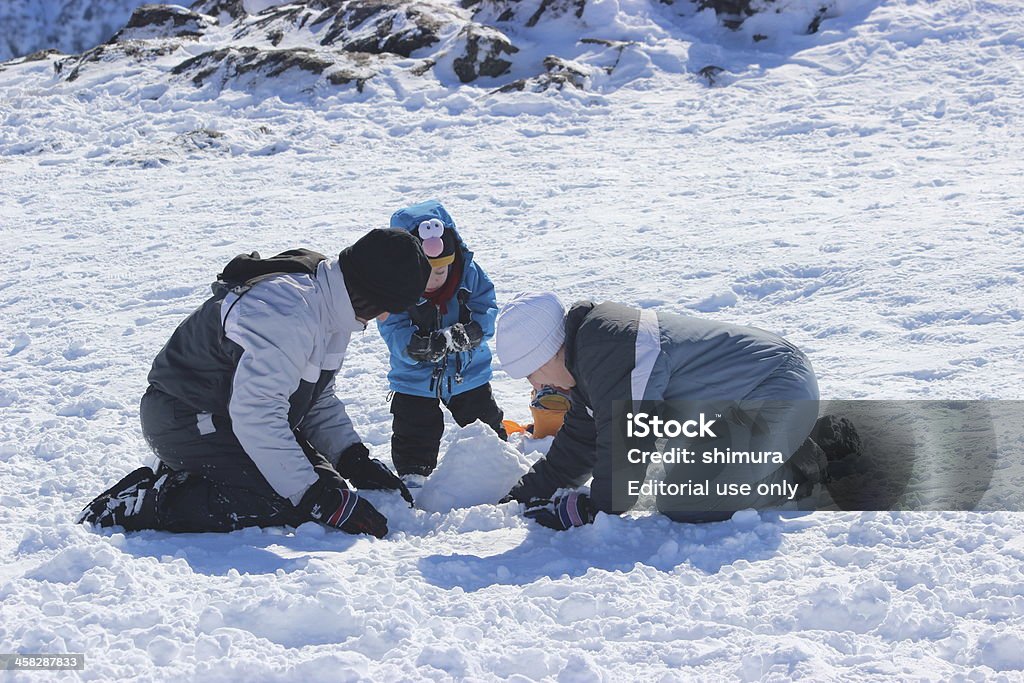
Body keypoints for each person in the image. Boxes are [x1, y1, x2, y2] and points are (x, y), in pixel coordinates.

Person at [77, 229, 431, 536]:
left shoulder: (331, 302)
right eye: (392, 307)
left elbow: (314, 397)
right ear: (373, 294)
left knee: (329, 492)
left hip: (230, 418)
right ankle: (149, 502)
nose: (386, 318)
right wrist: (313, 497)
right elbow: (258, 413)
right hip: (184, 414)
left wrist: (352, 459)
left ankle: (206, 473)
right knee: (291, 502)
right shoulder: (288, 311)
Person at [494, 292, 844, 530]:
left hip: (775, 390)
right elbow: (581, 444)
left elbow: (627, 441)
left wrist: (591, 509)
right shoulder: (586, 362)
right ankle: (781, 448)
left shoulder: (607, 349)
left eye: (532, 374)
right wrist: (520, 498)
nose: (536, 387)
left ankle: (805, 466)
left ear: (548, 354)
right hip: (745, 401)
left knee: (689, 500)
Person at [377, 199, 506, 483]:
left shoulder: (469, 274)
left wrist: (475, 330)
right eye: (422, 274)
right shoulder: (394, 289)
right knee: (414, 426)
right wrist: (414, 347)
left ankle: (498, 463)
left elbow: (487, 304)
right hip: (415, 376)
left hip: (466, 372)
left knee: (482, 418)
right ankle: (414, 476)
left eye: (438, 272)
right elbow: (392, 326)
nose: (433, 280)